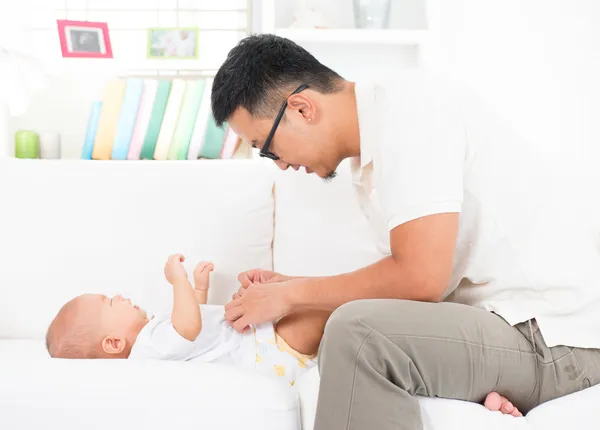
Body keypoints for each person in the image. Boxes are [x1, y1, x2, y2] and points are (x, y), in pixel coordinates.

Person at [211, 34, 600, 430]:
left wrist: (291, 295)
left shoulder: (410, 111)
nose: (278, 164)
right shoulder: (378, 148)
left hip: (555, 338)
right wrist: (289, 287)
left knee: (359, 335)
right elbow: (414, 279)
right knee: (354, 328)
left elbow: (420, 278)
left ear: (301, 108)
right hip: (516, 330)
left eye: (267, 147)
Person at [45, 254, 329, 387]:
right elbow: (189, 328)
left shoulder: (156, 340)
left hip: (265, 343)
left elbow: (193, 326)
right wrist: (177, 280)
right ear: (114, 342)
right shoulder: (147, 348)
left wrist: (199, 288)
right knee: (318, 310)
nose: (118, 296)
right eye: (109, 302)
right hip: (267, 350)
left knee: (320, 314)